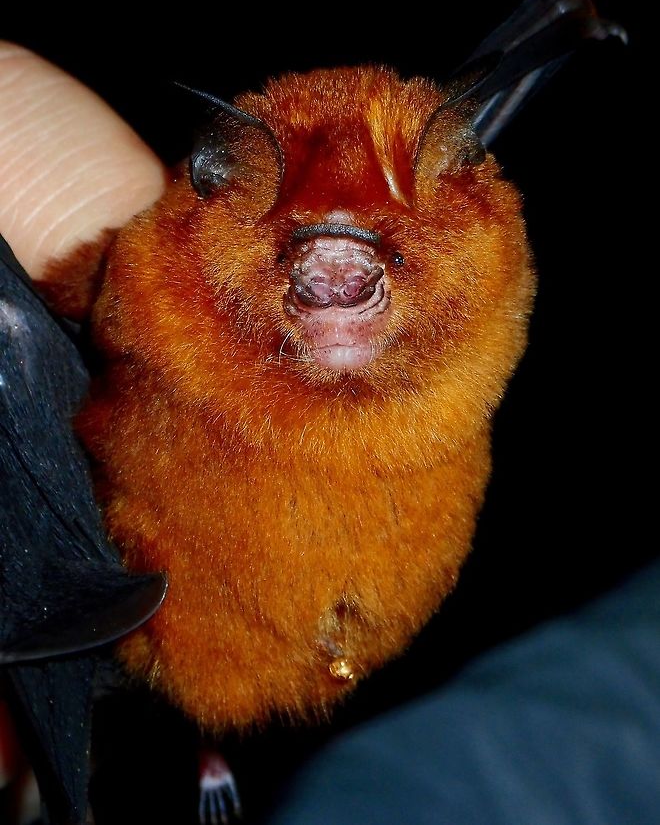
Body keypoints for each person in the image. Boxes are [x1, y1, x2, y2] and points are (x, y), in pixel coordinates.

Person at [1, 42, 658, 825]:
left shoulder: (473, 288)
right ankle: (178, 734)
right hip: (176, 620)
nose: (335, 282)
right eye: (305, 259)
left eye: (364, 260)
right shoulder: (156, 308)